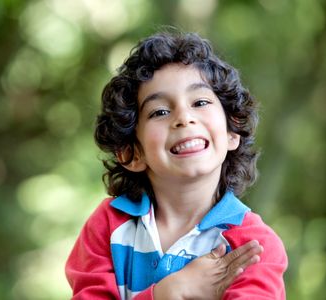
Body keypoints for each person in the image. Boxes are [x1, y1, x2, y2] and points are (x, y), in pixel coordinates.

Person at [65, 31, 288, 299]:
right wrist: (166, 292)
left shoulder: (254, 246)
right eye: (159, 111)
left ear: (232, 131)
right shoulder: (107, 227)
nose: (184, 117)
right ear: (131, 153)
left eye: (200, 102)